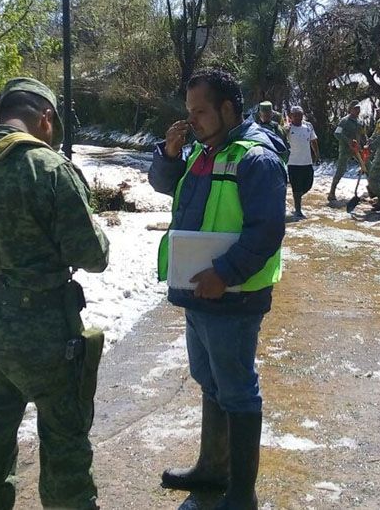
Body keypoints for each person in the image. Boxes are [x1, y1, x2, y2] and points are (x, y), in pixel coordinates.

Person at [0, 78, 109, 510]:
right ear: (45, 119)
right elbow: (93, 254)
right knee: (65, 444)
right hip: (47, 338)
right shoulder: (49, 169)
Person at [149, 68, 287, 510]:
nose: (192, 121)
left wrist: (224, 274)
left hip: (233, 295)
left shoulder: (256, 158)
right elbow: (166, 186)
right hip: (199, 293)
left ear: (228, 109)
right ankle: (212, 468)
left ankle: (241, 494)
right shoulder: (201, 151)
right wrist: (169, 155)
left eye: (201, 111)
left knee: (238, 390)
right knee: (210, 382)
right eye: (188, 112)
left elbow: (266, 232)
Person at [285, 105, 319, 218]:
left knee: (308, 184)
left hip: (307, 162)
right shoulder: (288, 128)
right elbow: (281, 140)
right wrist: (285, 131)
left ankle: (297, 196)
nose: (299, 117)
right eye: (296, 115)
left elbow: (313, 140)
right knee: (296, 187)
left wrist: (317, 154)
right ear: (291, 116)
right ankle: (298, 209)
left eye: (300, 115)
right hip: (293, 163)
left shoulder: (308, 126)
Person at [328, 100, 363, 202]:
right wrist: (349, 141)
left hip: (357, 149)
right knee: (341, 170)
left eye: (358, 109)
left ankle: (372, 190)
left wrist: (365, 144)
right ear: (350, 109)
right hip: (345, 150)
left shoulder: (359, 121)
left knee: (367, 167)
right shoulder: (345, 121)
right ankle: (332, 192)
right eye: (355, 109)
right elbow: (337, 133)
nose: (357, 110)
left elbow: (362, 134)